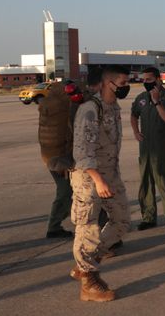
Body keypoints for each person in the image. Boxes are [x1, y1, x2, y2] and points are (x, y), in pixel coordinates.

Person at [69, 65, 132, 302]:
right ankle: (88, 282)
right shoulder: (89, 110)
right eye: (123, 83)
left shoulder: (113, 107)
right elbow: (82, 151)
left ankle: (85, 265)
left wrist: (109, 177)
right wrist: (98, 179)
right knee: (88, 227)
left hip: (109, 173)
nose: (126, 88)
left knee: (122, 220)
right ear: (108, 83)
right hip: (89, 177)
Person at [46, 67, 104, 239]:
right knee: (70, 193)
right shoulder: (77, 108)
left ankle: (55, 225)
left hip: (54, 157)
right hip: (63, 159)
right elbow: (74, 135)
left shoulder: (62, 108)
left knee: (69, 192)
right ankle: (55, 226)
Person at [130, 67, 165, 231]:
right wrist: (136, 131)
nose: (146, 83)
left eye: (149, 80)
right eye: (144, 80)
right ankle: (148, 217)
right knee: (146, 184)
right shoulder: (141, 98)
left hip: (162, 148)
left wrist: (157, 101)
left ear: (158, 80)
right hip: (145, 149)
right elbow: (133, 114)